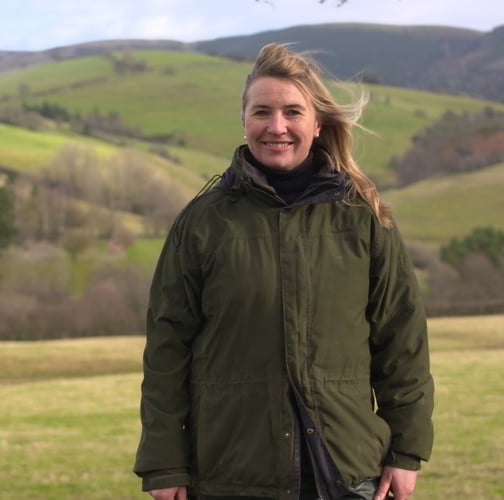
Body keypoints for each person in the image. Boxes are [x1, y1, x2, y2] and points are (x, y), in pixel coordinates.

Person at [133, 43, 434, 500]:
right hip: (231, 476)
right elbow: (166, 349)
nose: (277, 127)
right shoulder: (202, 223)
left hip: (349, 474)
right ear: (244, 120)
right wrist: (164, 465)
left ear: (317, 123)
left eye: (293, 111)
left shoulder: (363, 217)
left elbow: (401, 339)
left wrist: (406, 451)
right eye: (262, 112)